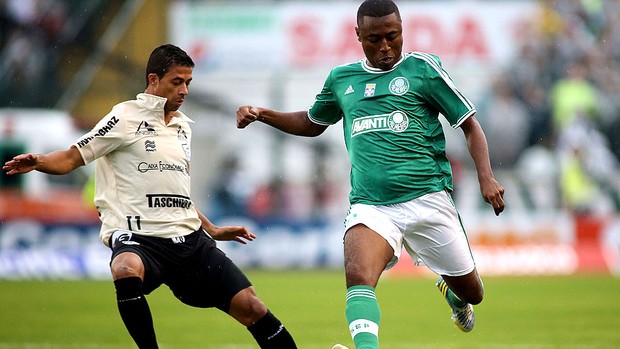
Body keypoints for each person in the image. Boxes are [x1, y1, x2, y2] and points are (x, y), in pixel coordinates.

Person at [236, 1, 505, 348]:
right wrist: (262, 113)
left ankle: (453, 295)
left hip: (429, 199)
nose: (384, 47)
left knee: (473, 292)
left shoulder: (422, 69)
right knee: (358, 275)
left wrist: (486, 176)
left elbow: (469, 124)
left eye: (392, 37)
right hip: (372, 205)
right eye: (374, 39)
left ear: (402, 30)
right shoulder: (342, 80)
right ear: (358, 35)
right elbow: (311, 123)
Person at [3, 44, 297, 349]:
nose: (184, 90)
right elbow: (70, 158)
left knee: (253, 308)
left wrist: (211, 229)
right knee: (125, 267)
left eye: (188, 83)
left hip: (189, 241)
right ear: (153, 80)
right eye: (177, 81)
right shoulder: (124, 117)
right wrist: (39, 161)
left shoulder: (183, 127)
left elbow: (176, 192)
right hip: (140, 237)